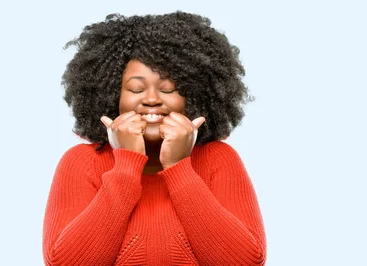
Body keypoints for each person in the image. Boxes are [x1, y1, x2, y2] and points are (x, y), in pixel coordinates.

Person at [42, 11, 266, 266]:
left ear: (193, 97)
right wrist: (126, 164)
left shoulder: (218, 159)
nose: (151, 99)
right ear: (113, 96)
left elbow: (246, 262)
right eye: (136, 89)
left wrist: (178, 168)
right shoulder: (82, 162)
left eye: (168, 89)